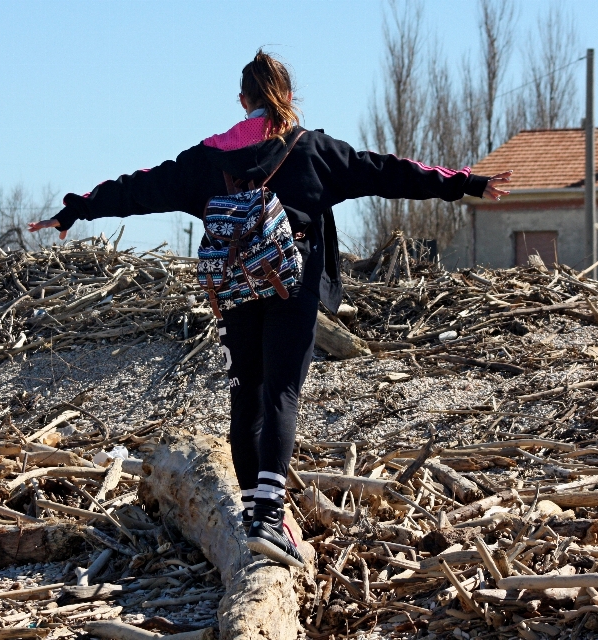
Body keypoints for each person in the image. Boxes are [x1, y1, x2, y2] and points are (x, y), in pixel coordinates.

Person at [30, 50, 511, 568]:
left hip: (236, 286)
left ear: (244, 101)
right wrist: (464, 182)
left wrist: (78, 208)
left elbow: (142, 186)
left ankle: (252, 516)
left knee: (247, 393)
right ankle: (267, 518)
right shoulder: (313, 150)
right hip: (290, 281)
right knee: (282, 392)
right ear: (287, 96)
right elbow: (390, 172)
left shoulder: (208, 157)